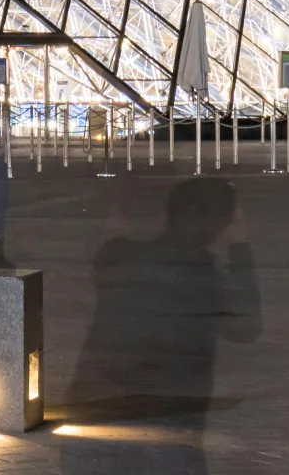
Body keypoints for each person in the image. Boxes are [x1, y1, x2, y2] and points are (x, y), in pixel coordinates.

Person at [60, 178, 261, 473]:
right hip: (165, 420)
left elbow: (113, 239)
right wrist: (240, 248)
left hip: (93, 408)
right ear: (217, 223)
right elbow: (246, 328)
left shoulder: (116, 257)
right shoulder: (205, 277)